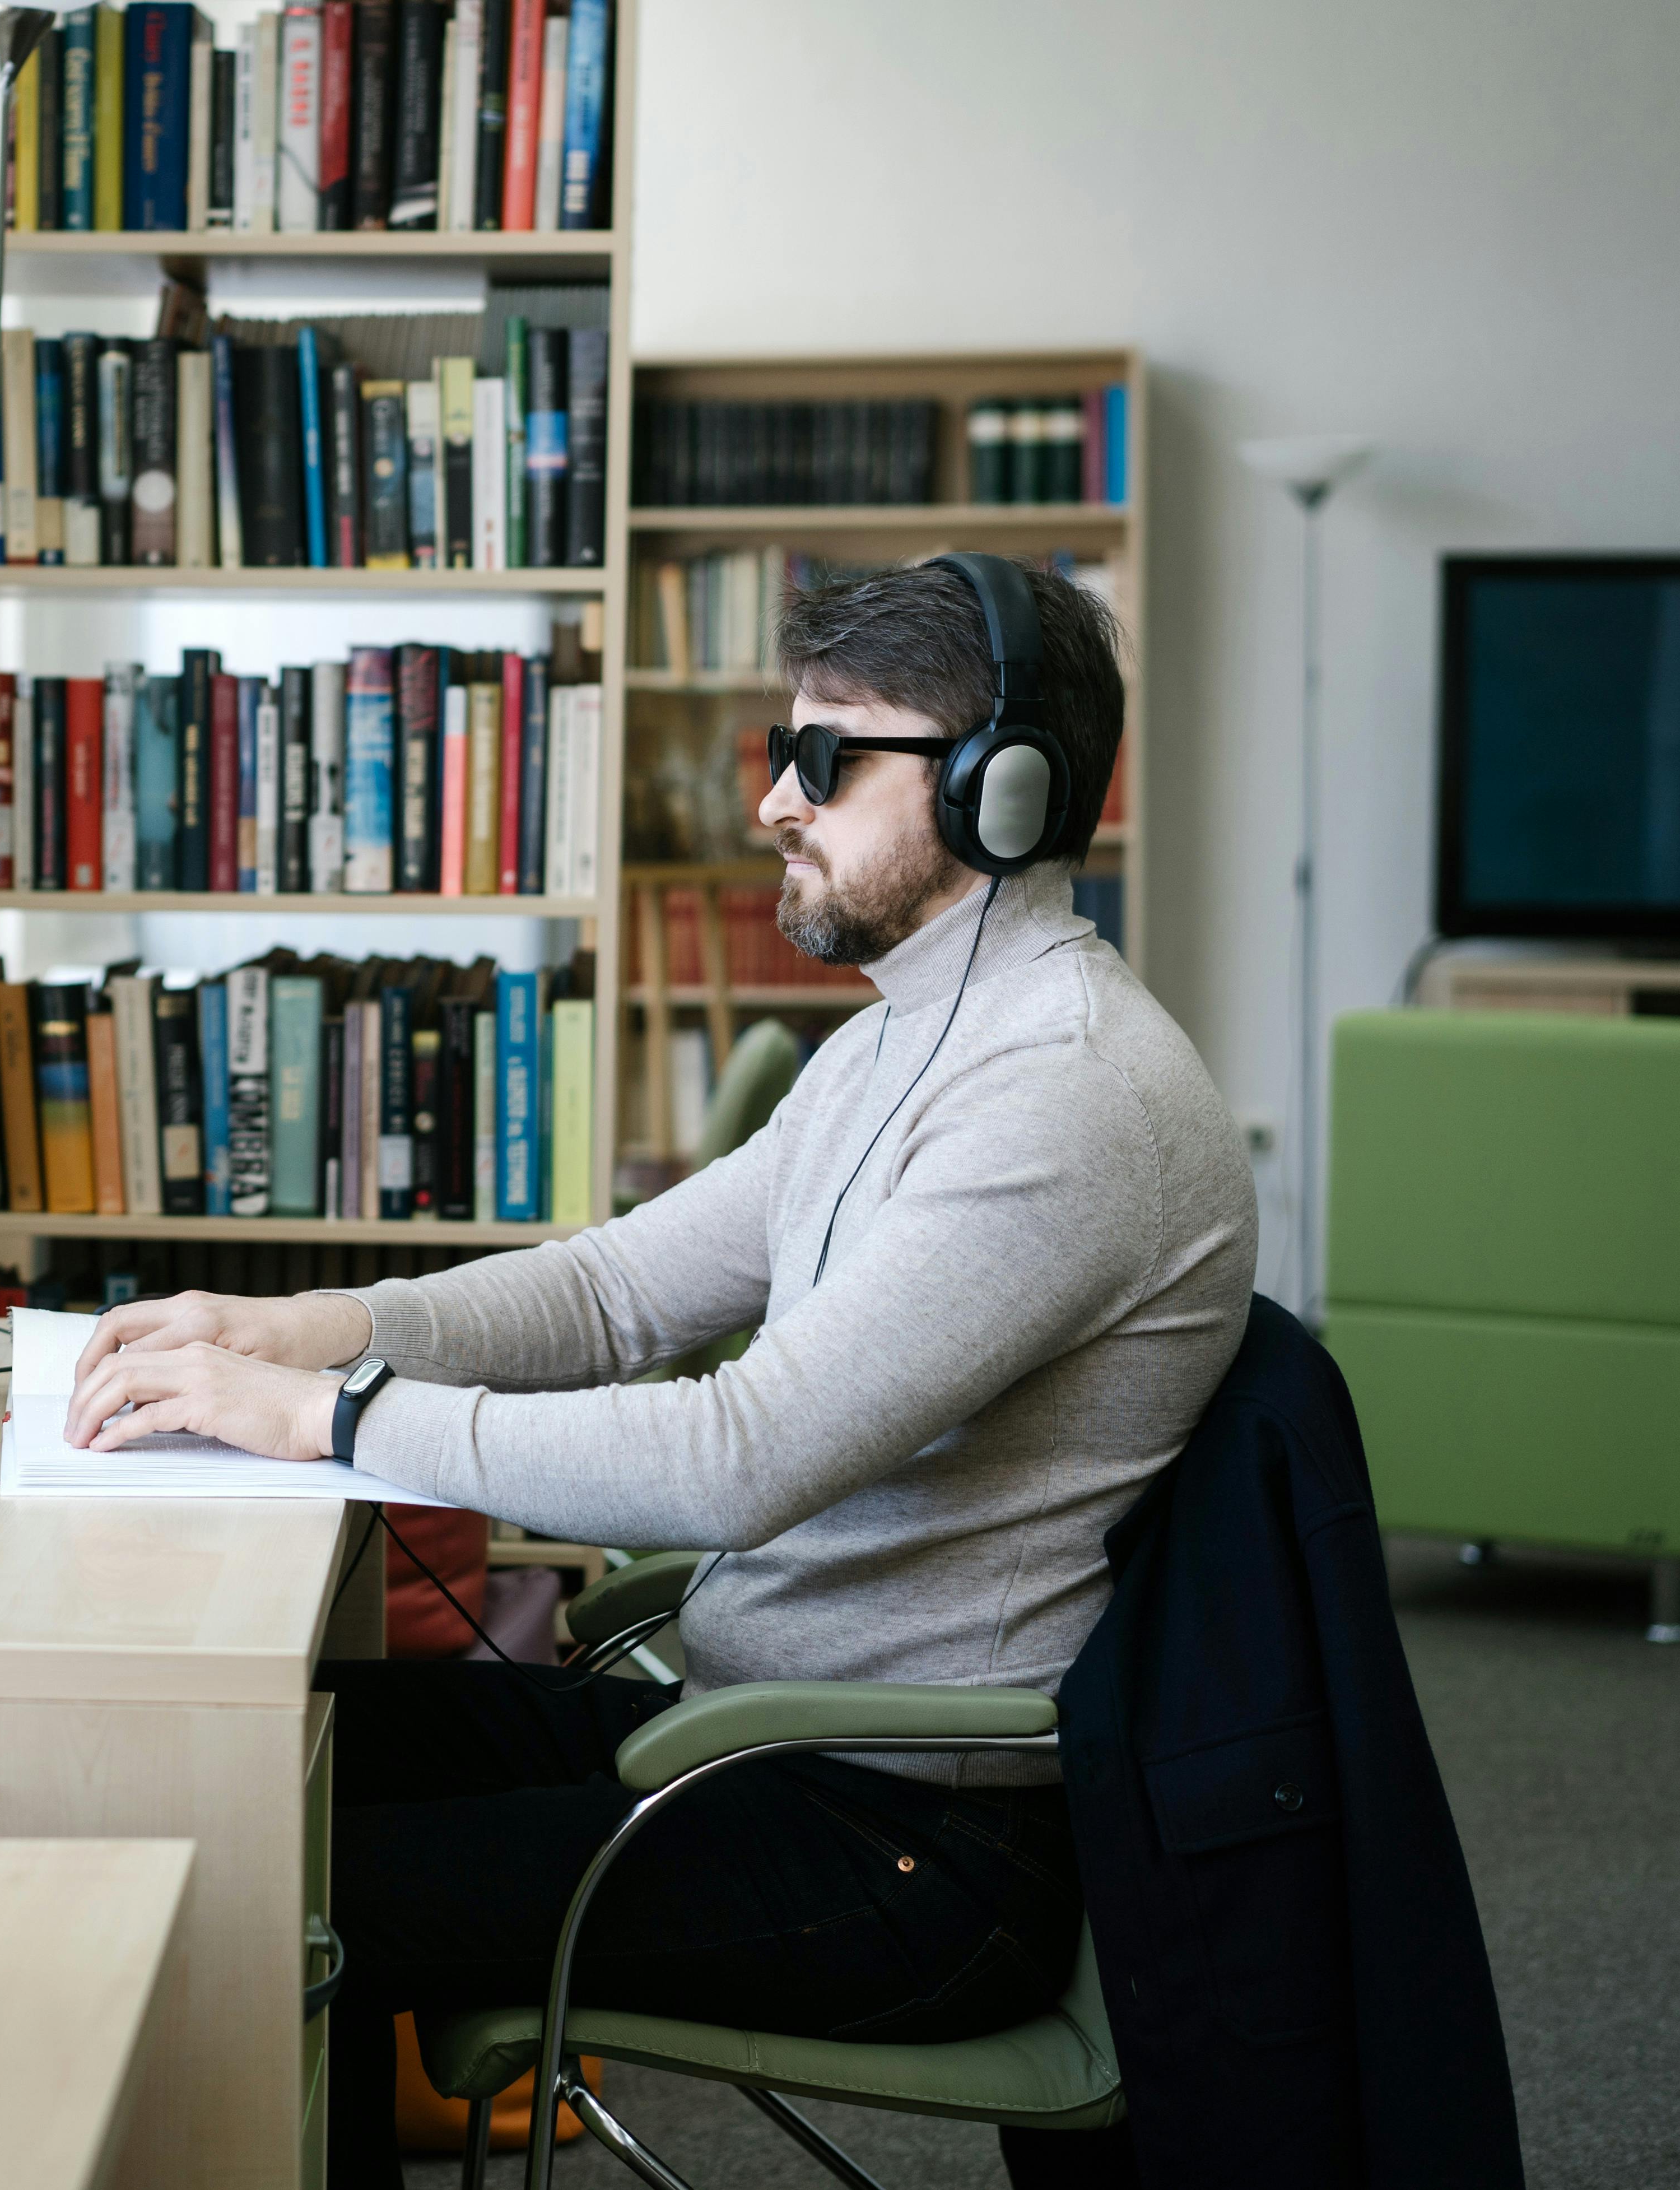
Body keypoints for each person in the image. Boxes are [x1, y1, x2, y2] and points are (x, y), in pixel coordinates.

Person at [67, 557, 1257, 2189]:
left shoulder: (1061, 1096)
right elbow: (620, 1287)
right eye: (785, 745)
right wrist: (313, 1330)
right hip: (753, 1734)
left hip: (903, 1842)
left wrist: (329, 1422)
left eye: (831, 759)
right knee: (277, 1741)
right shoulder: (905, 1037)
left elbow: (735, 1457)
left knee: (269, 1860)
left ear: (1002, 791)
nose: (776, 798)